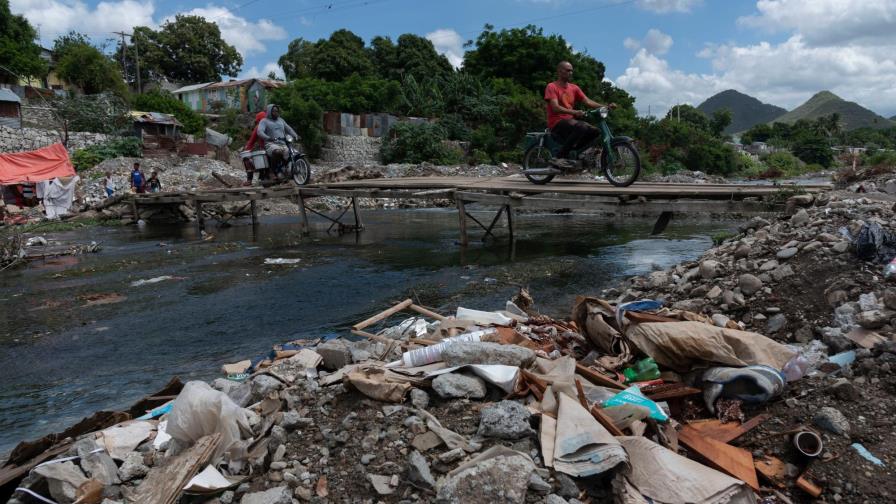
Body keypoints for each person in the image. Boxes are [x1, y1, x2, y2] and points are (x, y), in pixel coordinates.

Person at [544, 61, 615, 170]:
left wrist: (605, 106)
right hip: (556, 123)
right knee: (581, 126)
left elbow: (588, 101)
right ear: (559, 71)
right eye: (568, 70)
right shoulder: (552, 86)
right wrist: (574, 112)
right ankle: (559, 157)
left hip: (570, 122)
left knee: (596, 131)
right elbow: (555, 108)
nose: (571, 72)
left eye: (572, 70)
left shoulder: (574, 88)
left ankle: (575, 154)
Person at [256, 104, 298, 177]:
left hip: (283, 143)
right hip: (271, 144)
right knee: (277, 152)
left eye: (277, 111)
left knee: (293, 153)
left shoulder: (281, 120)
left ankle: (286, 169)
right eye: (274, 111)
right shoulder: (264, 121)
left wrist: (295, 135)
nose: (276, 112)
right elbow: (260, 132)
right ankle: (272, 171)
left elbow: (288, 128)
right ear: (269, 111)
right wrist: (268, 137)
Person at [242, 110, 267, 186]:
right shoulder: (273, 123)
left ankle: (249, 180)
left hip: (265, 149)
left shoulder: (258, 128)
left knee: (247, 159)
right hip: (278, 145)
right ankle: (262, 176)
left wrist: (246, 151)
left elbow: (251, 141)